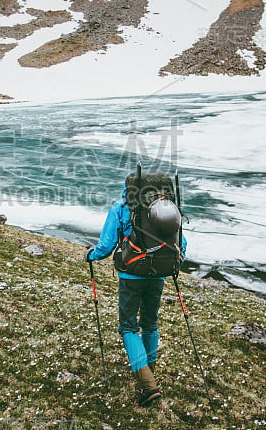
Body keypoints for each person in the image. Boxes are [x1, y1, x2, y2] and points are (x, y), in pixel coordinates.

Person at [84, 171, 186, 406]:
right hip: (158, 274)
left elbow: (106, 245)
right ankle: (149, 371)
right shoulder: (168, 208)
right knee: (150, 324)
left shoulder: (121, 207)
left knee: (129, 327)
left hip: (131, 275)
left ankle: (148, 385)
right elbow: (182, 243)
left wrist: (91, 255)